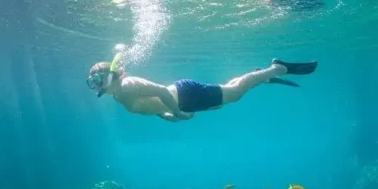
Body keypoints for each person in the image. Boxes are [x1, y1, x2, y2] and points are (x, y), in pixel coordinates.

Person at [86, 53, 317, 122]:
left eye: (98, 79)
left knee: (234, 94)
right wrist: (165, 115)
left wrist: (177, 113)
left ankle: (276, 69)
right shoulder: (117, 95)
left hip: (186, 95)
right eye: (92, 82)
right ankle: (260, 77)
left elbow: (161, 92)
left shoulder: (127, 84)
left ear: (112, 75)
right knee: (225, 97)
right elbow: (151, 103)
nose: (96, 85)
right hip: (183, 101)